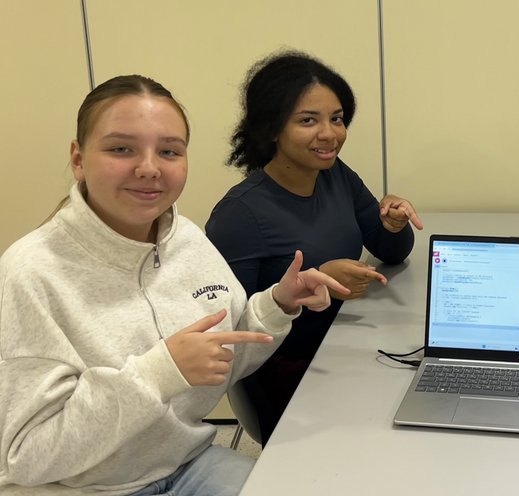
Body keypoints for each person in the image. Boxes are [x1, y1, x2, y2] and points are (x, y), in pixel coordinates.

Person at [0, 75, 347, 495]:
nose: (149, 168)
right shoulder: (31, 272)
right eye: (121, 149)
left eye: (168, 151)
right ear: (78, 159)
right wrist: (158, 373)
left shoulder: (187, 240)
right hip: (80, 487)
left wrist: (277, 305)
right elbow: (27, 454)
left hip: (184, 461)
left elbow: (226, 354)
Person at [205, 51, 422, 444]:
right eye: (308, 120)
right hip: (288, 374)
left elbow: (390, 250)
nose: (329, 134)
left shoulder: (334, 175)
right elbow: (230, 333)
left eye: (336, 119)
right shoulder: (239, 214)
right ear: (271, 127)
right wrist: (311, 288)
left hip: (346, 347)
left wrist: (393, 225)